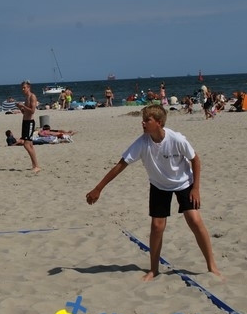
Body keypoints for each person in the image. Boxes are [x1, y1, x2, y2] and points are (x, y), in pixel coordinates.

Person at [85, 105, 221, 282]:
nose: (143, 122)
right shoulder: (142, 142)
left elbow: (195, 159)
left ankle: (212, 265)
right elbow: (120, 165)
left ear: (159, 122)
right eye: (143, 119)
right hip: (159, 185)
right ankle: (154, 270)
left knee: (194, 220)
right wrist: (98, 188)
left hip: (184, 183)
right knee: (157, 227)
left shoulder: (176, 139)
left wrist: (195, 188)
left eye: (147, 120)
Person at [16, 81, 41, 172]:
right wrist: (20, 108)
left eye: (24, 87)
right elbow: (25, 112)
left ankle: (37, 165)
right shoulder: (26, 98)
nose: (23, 89)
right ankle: (35, 165)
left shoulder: (32, 96)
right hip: (25, 121)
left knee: (26, 144)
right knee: (29, 144)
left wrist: (23, 105)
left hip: (30, 122)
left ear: (28, 87)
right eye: (22, 88)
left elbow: (32, 111)